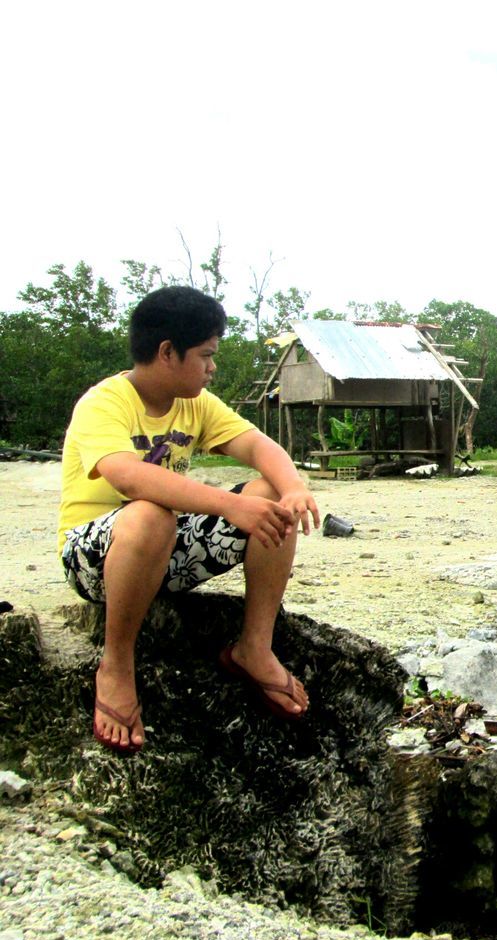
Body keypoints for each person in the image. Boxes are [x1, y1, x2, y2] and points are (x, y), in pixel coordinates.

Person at [58, 286, 320, 754]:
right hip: (95, 560)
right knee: (149, 514)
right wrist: (225, 504)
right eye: (206, 355)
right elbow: (128, 477)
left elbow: (259, 447)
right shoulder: (104, 402)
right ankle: (116, 665)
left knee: (269, 494)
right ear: (166, 353)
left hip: (162, 557)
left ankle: (254, 647)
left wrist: (294, 487)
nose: (212, 367)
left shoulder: (195, 403)